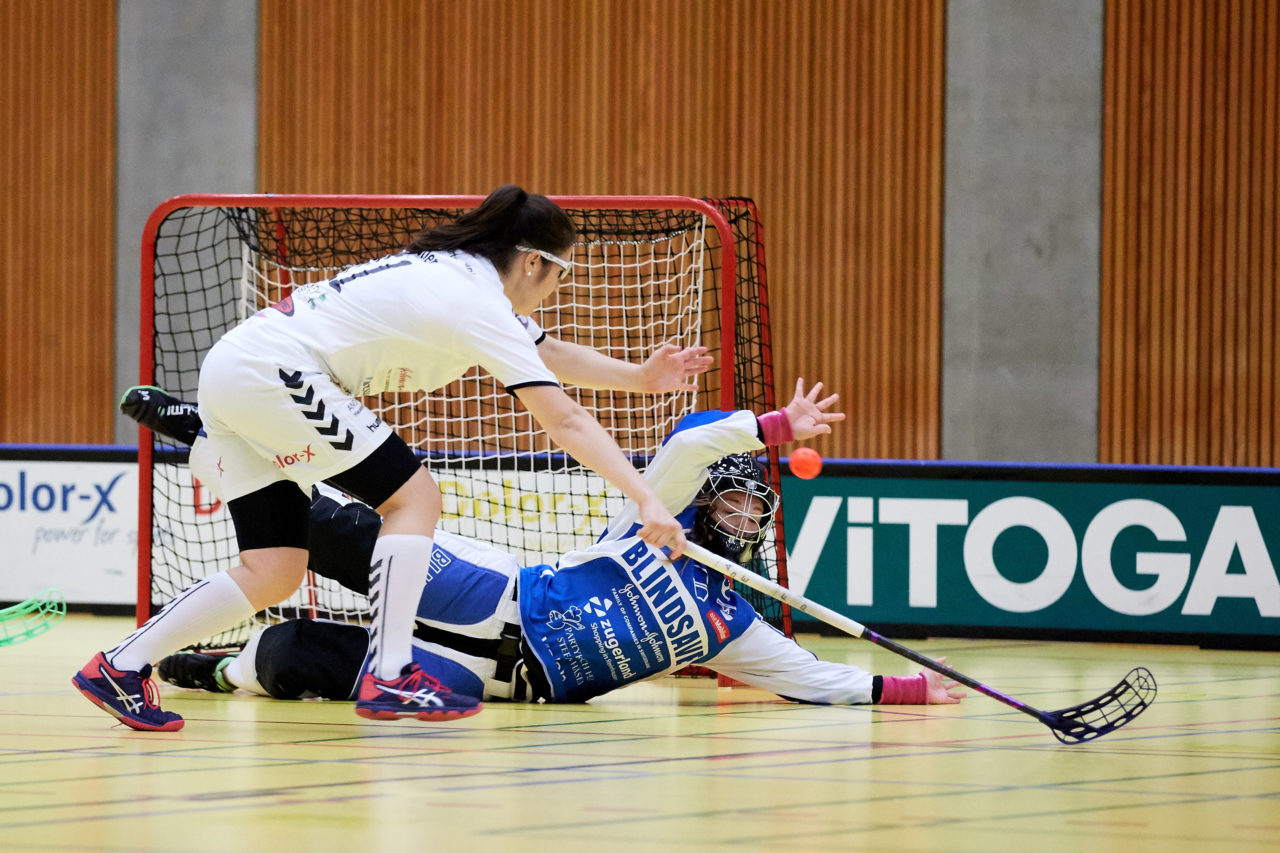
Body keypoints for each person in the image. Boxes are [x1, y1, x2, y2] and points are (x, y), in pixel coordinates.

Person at [74, 185, 707, 732]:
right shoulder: (475, 301)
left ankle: (118, 667)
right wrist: (646, 498)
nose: (557, 289)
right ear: (533, 262)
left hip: (236, 372)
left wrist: (639, 377)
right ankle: (391, 673)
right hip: (276, 373)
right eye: (562, 274)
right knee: (415, 498)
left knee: (273, 570)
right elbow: (563, 419)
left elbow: (547, 353)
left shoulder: (461, 278)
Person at [132, 382, 966, 709]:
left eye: (757, 509)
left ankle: (215, 668)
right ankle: (206, 436)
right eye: (735, 499)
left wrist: (906, 688)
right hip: (494, 594)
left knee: (290, 655)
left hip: (503, 682)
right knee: (334, 531)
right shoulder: (653, 524)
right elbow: (687, 446)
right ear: (708, 502)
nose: (743, 517)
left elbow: (811, 677)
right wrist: (773, 427)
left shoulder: (731, 625)